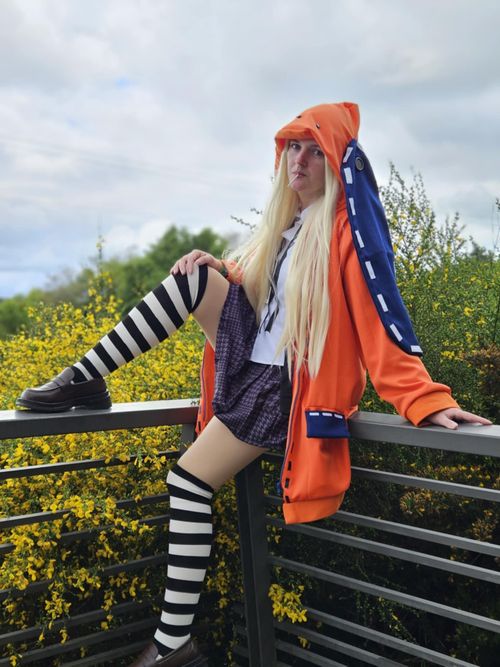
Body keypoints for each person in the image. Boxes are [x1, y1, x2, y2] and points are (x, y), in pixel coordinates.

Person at [17, 103, 492, 666]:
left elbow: (380, 321)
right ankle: (84, 379)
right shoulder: (286, 228)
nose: (299, 161)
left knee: (187, 483)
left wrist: (424, 400)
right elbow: (260, 300)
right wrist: (219, 268)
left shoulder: (345, 234)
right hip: (251, 363)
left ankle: (172, 646)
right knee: (193, 277)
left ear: (337, 163)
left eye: (315, 151)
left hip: (281, 389)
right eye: (293, 148)